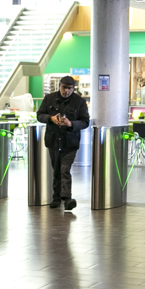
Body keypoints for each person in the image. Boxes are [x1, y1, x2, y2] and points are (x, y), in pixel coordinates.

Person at [36, 75, 90, 210]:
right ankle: (56, 198)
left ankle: (66, 198)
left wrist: (71, 123)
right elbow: (39, 115)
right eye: (64, 88)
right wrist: (51, 118)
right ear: (59, 86)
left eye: (70, 88)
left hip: (70, 142)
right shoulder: (49, 99)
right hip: (53, 140)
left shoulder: (79, 102)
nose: (66, 91)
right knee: (57, 170)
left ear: (73, 88)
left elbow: (85, 122)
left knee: (65, 169)